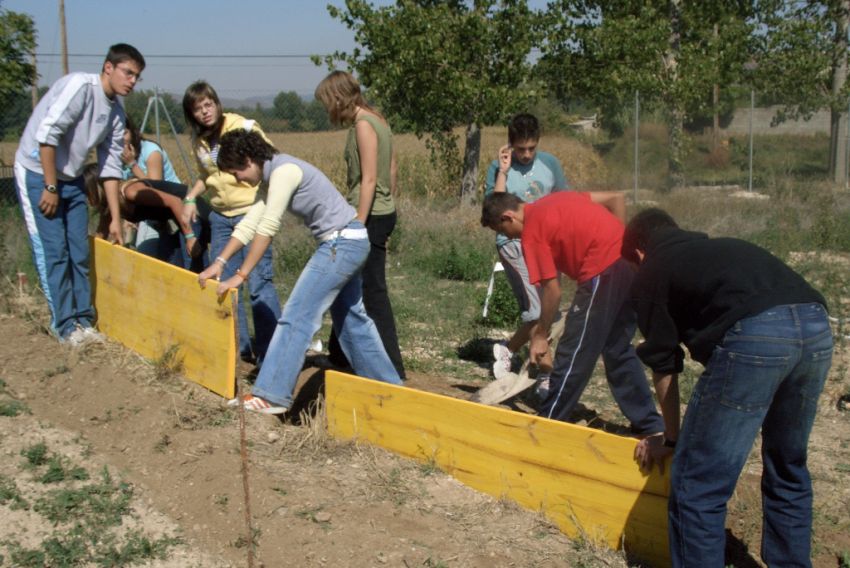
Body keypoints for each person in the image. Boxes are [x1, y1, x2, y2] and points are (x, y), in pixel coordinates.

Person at [624, 209, 832, 567]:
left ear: (639, 252)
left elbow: (663, 364)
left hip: (756, 337)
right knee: (788, 465)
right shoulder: (723, 249)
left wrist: (671, 439)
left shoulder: (653, 269)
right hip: (816, 328)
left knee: (696, 485)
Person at [198, 129, 402, 414]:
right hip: (350, 241)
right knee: (353, 321)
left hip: (341, 243)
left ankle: (271, 395)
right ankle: (390, 391)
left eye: (236, 172)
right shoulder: (272, 179)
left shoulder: (285, 171)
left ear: (248, 159)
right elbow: (248, 225)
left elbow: (268, 228)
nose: (237, 179)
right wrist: (219, 263)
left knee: (297, 315)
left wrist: (241, 275)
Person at [480, 192, 663, 436]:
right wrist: (622, 245)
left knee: (574, 350)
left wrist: (541, 335)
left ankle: (549, 423)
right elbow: (615, 198)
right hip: (628, 265)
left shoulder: (532, 233)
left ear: (508, 217)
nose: (507, 237)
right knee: (617, 348)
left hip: (601, 271)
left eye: (502, 231)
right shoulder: (558, 199)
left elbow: (552, 291)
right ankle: (650, 425)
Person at [14, 43, 145, 345]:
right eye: (128, 73)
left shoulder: (115, 112)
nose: (132, 81)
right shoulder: (80, 88)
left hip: (71, 178)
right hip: (37, 171)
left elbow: (110, 167)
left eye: (137, 77)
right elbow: (47, 137)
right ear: (108, 68)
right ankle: (64, 326)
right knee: (54, 252)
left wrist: (114, 217)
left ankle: (84, 322)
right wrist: (49, 186)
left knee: (79, 250)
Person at [181, 81, 281, 365]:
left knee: (258, 282)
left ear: (217, 103)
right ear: (192, 114)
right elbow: (207, 176)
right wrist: (190, 198)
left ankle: (271, 353)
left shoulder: (242, 127)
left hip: (251, 212)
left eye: (208, 104)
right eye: (197, 109)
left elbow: (270, 160)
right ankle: (238, 351)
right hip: (221, 218)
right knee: (224, 284)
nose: (205, 112)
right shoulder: (198, 142)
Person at [315, 70, 405, 380]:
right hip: (380, 211)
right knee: (348, 286)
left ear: (338, 97)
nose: (328, 109)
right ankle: (340, 356)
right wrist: (387, 202)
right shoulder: (376, 118)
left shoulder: (364, 125)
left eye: (327, 102)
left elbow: (368, 178)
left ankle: (393, 367)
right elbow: (391, 168)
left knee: (372, 292)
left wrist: (359, 224)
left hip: (369, 216)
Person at [483, 113, 568, 381]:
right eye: (521, 149)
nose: (527, 154)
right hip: (513, 243)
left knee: (548, 311)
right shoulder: (498, 168)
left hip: (545, 243)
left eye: (532, 148)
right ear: (510, 144)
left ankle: (508, 349)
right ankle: (546, 376)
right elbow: (494, 209)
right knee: (535, 310)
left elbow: (563, 201)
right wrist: (504, 172)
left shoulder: (550, 164)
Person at [83, 164, 209, 273]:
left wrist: (189, 237)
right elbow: (101, 235)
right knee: (171, 267)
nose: (85, 198)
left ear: (98, 189)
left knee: (193, 266)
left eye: (86, 193)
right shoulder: (110, 207)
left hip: (187, 211)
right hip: (172, 220)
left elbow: (175, 201)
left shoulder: (131, 192)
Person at [119, 117, 199, 268]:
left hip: (173, 208)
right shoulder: (116, 157)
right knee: (147, 258)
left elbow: (155, 187)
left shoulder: (150, 151)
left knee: (161, 258)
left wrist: (132, 165)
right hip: (148, 213)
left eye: (124, 133)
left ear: (132, 132)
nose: (121, 139)